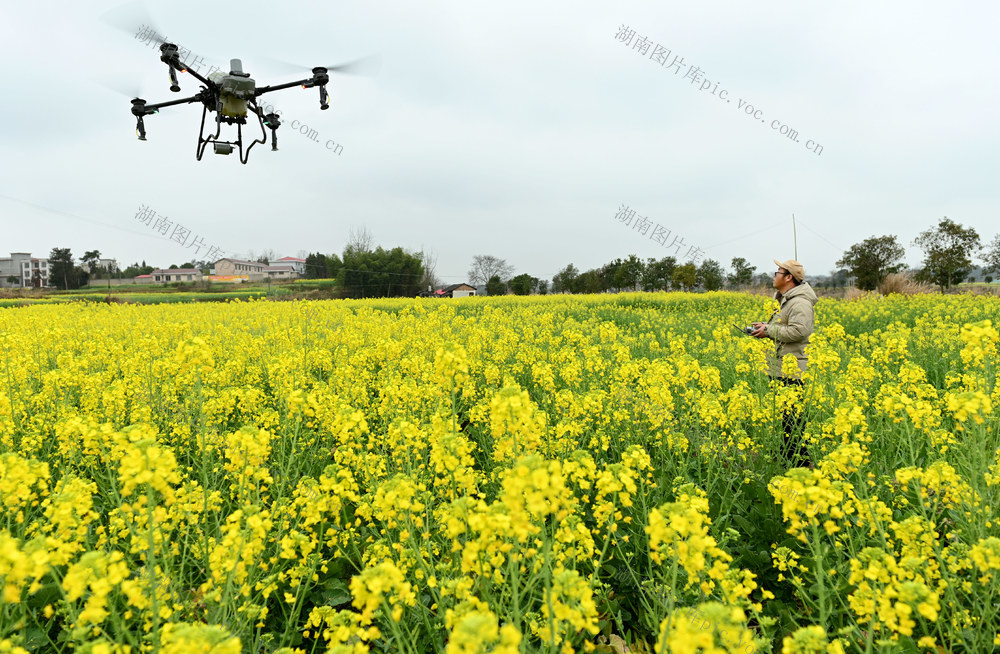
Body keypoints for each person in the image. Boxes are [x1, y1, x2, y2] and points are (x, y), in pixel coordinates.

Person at [750, 259, 817, 466]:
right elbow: (785, 327)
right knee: (787, 420)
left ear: (788, 277)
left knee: (794, 421)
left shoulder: (800, 302)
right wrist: (765, 327)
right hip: (782, 367)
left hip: (793, 369)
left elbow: (800, 330)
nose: (774, 275)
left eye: (778, 272)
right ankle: (788, 460)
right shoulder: (786, 299)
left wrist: (769, 331)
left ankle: (802, 466)